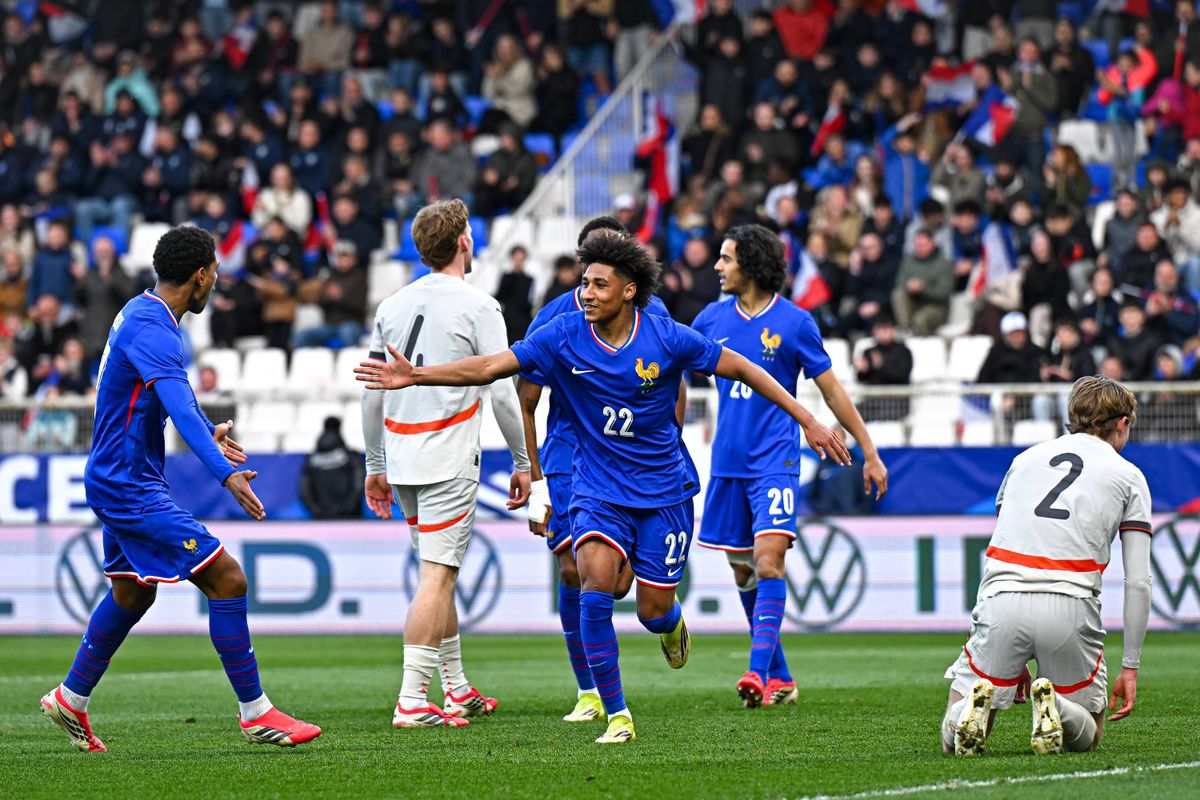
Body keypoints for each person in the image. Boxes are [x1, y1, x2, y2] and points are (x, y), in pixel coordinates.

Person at [357, 230, 850, 745]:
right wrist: (417, 376)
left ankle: (672, 623)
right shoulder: (563, 333)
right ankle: (616, 713)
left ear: (629, 290)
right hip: (597, 487)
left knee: (651, 610)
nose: (586, 293)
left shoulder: (666, 336)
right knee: (591, 581)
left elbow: (745, 369)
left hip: (664, 491)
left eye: (598, 284)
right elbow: (488, 367)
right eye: (584, 282)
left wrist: (808, 422)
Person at [40, 226, 320, 752]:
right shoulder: (157, 329)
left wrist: (205, 435)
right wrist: (225, 472)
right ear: (199, 275)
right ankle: (256, 713)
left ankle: (70, 698)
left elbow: (161, 402)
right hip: (127, 483)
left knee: (131, 591)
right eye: (213, 270)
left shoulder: (140, 312)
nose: (216, 278)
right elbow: (177, 403)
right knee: (228, 580)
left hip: (119, 474)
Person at [691, 224, 887, 708]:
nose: (717, 266)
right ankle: (780, 678)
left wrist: (870, 451)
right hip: (727, 465)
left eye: (726, 258)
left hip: (775, 462)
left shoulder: (795, 323)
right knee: (743, 573)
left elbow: (833, 390)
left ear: (751, 265)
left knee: (768, 561)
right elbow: (672, 366)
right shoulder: (709, 320)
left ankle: (756, 673)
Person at [359, 199, 531, 729]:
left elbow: (370, 392)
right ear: (463, 242)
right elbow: (502, 394)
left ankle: (454, 688)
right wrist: (525, 460)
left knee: (440, 573)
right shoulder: (480, 306)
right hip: (448, 457)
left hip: (404, 458)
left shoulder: (392, 304)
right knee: (438, 574)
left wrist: (374, 462)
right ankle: (412, 700)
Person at [513, 216, 676, 726]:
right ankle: (590, 692)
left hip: (639, 458)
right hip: (570, 454)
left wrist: (669, 436)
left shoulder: (652, 312)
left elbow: (675, 372)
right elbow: (527, 400)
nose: (589, 284)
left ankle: (666, 618)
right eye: (585, 269)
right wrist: (534, 476)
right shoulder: (555, 319)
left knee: (627, 590)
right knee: (574, 570)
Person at [941, 376, 1152, 757]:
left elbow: (1003, 540)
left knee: (958, 731)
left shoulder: (1024, 460)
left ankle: (964, 714)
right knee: (1089, 734)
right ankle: (1057, 707)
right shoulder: (1129, 476)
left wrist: (1008, 645)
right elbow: (1138, 582)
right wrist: (1131, 667)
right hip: (1070, 604)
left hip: (1004, 596)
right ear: (1122, 424)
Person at [300, 417, 364, 520]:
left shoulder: (310, 460)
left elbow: (304, 490)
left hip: (321, 518)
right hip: (350, 519)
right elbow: (358, 486)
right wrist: (347, 509)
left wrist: (317, 511)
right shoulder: (352, 458)